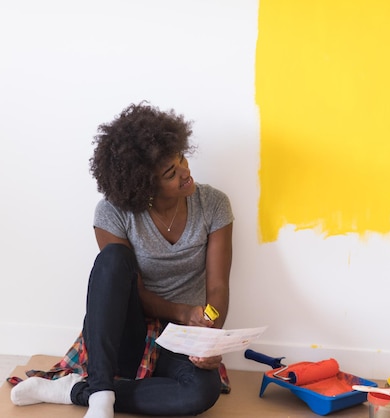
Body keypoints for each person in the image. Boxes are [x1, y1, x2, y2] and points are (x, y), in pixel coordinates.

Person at [10, 102, 234, 418]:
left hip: (182, 337)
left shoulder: (213, 204)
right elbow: (133, 292)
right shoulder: (112, 213)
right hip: (126, 332)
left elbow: (218, 286)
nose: (186, 172)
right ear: (144, 185)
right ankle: (101, 394)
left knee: (202, 392)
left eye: (181, 158)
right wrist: (184, 311)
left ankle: (75, 391)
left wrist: (211, 339)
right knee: (113, 258)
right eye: (171, 172)